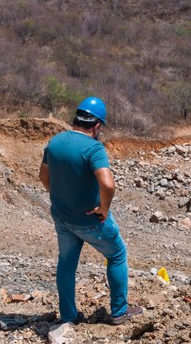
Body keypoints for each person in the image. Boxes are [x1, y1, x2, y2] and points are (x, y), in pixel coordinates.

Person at [39, 97, 142, 325]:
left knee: (66, 263)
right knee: (116, 255)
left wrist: (59, 195)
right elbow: (107, 184)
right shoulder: (93, 148)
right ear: (96, 126)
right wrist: (104, 208)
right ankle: (119, 311)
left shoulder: (55, 142)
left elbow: (43, 176)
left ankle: (68, 316)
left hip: (62, 216)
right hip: (90, 221)